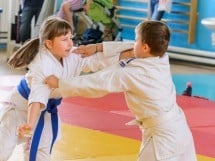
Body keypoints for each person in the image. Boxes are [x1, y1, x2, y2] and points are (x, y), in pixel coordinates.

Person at [45, 21, 197, 161]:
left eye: (137, 40)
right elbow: (131, 48)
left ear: (145, 47)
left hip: (163, 138)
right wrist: (98, 47)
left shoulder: (134, 73)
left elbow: (96, 83)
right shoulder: (161, 56)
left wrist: (60, 83)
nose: (133, 43)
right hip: (180, 130)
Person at [0, 15, 133, 161]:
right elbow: (36, 98)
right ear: (49, 44)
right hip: (20, 107)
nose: (70, 43)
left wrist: (131, 54)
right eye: (64, 40)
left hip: (46, 111)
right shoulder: (42, 63)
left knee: (42, 148)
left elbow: (98, 59)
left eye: (71, 38)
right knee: (4, 146)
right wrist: (30, 124)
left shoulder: (72, 55)